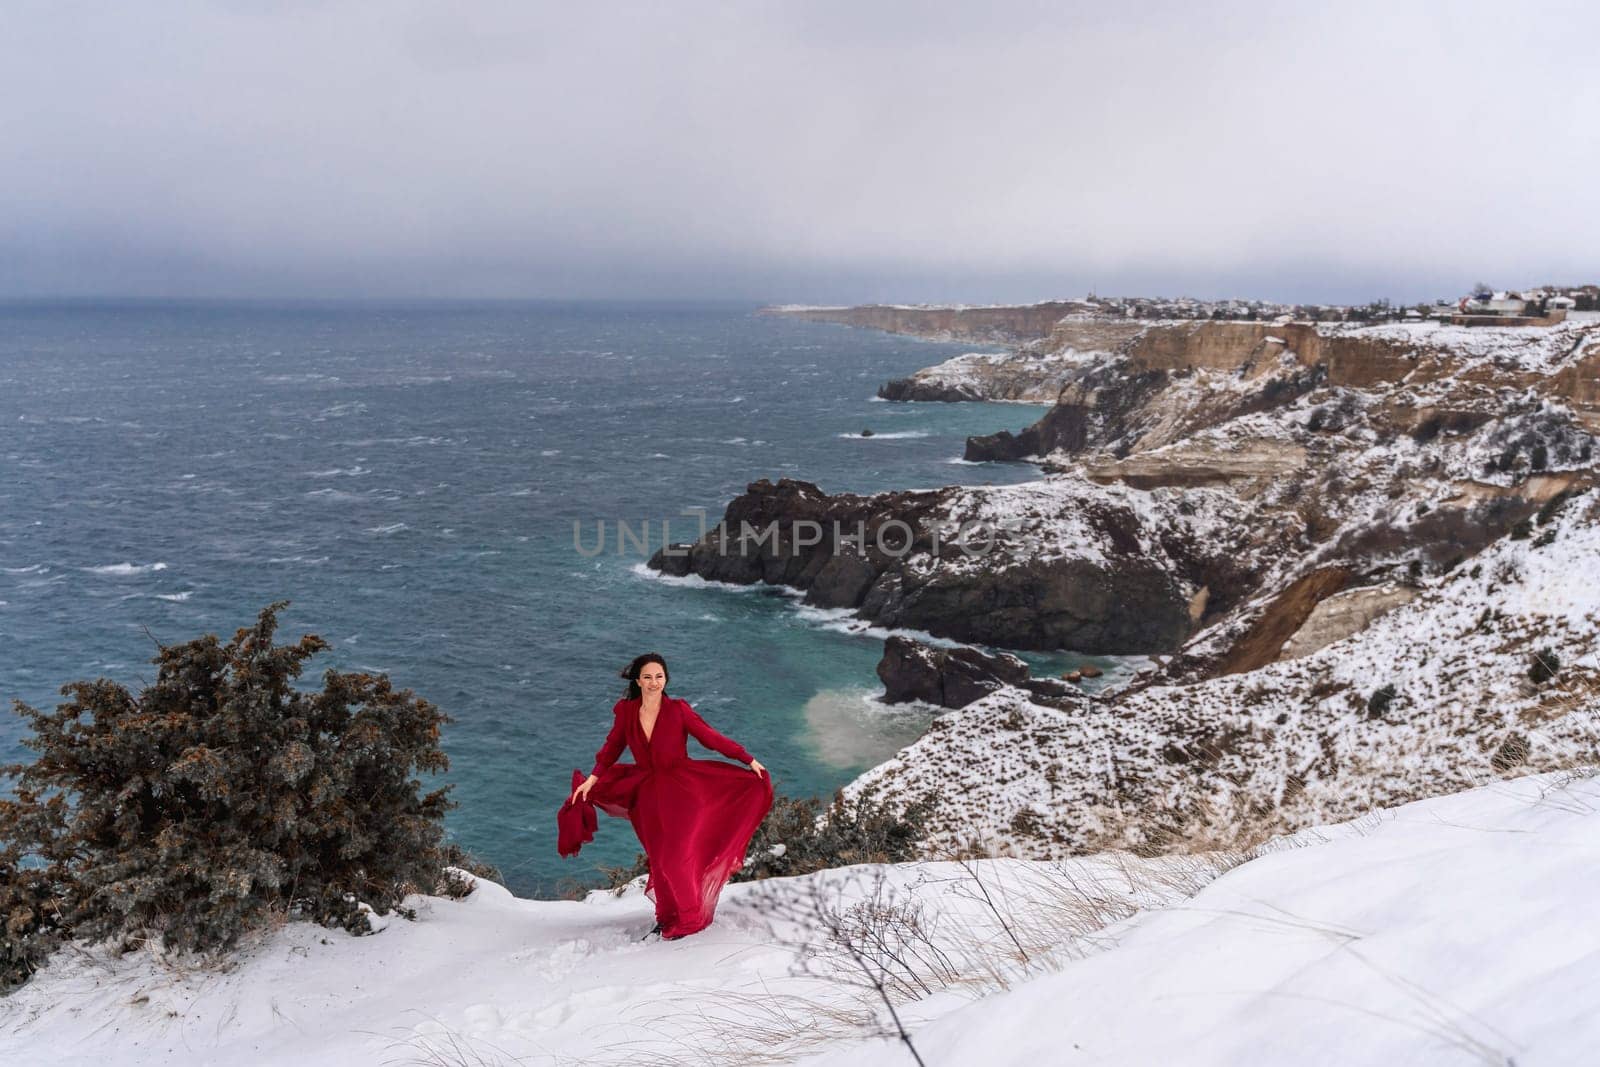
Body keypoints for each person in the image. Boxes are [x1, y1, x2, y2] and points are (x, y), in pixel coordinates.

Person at [557, 652, 773, 940]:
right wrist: (593, 778)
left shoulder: (678, 710)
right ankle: (667, 915)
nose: (654, 682)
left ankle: (691, 919)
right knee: (659, 858)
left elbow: (710, 737)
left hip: (682, 791)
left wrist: (747, 759)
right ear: (638, 680)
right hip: (646, 795)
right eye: (647, 676)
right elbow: (611, 748)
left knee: (675, 858)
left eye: (659, 676)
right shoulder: (626, 712)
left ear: (666, 679)